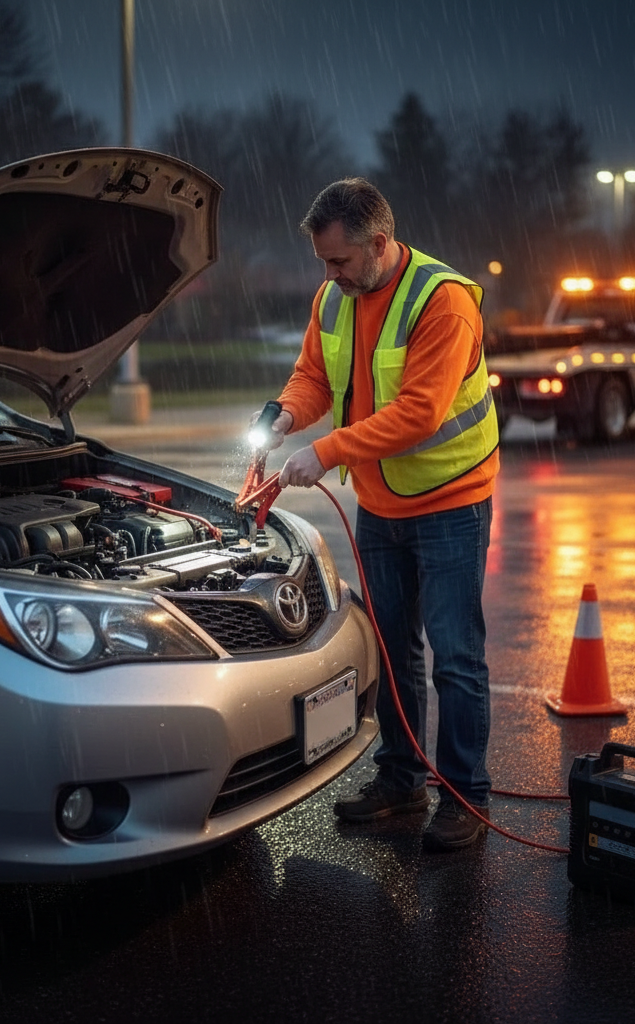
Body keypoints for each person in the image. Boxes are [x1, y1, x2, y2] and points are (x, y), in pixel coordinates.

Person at [260, 177, 499, 851]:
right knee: (391, 652)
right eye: (323, 264)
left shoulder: (442, 302)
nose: (329, 276)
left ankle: (465, 796)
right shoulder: (337, 297)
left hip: (451, 501)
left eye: (338, 262)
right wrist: (284, 415)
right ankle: (401, 782)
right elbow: (314, 376)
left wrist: (326, 450)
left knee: (455, 656)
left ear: (380, 245)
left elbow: (419, 413)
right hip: (380, 505)